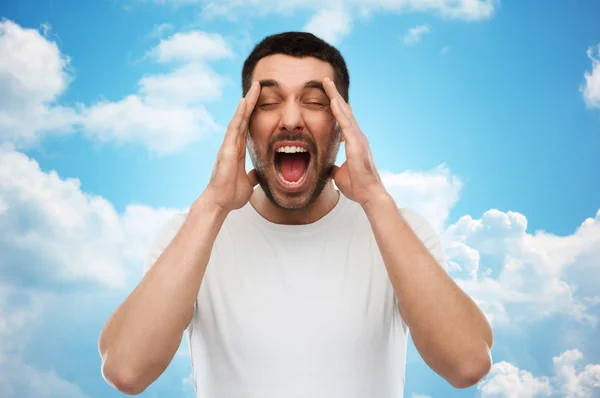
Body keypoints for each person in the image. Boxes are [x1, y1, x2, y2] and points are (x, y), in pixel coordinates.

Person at [98, 31, 494, 397]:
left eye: (316, 102)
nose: (290, 119)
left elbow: (467, 364)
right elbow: (127, 371)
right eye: (268, 103)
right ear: (245, 125)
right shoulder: (192, 234)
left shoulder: (398, 229)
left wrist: (375, 198)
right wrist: (213, 205)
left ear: (342, 125)